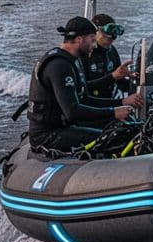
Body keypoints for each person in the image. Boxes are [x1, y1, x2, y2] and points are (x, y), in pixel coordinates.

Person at [26, 16, 142, 152]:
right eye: (92, 40)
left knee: (127, 129)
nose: (94, 45)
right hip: (48, 135)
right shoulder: (59, 65)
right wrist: (113, 113)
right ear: (79, 39)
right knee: (117, 139)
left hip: (66, 126)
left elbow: (85, 99)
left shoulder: (74, 61)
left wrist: (120, 103)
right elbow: (72, 112)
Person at [85, 13, 133, 99]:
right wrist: (113, 76)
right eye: (106, 38)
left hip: (109, 102)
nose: (109, 42)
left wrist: (135, 82)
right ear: (94, 32)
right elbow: (81, 88)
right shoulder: (84, 53)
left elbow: (120, 83)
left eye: (112, 39)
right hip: (89, 104)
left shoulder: (112, 51)